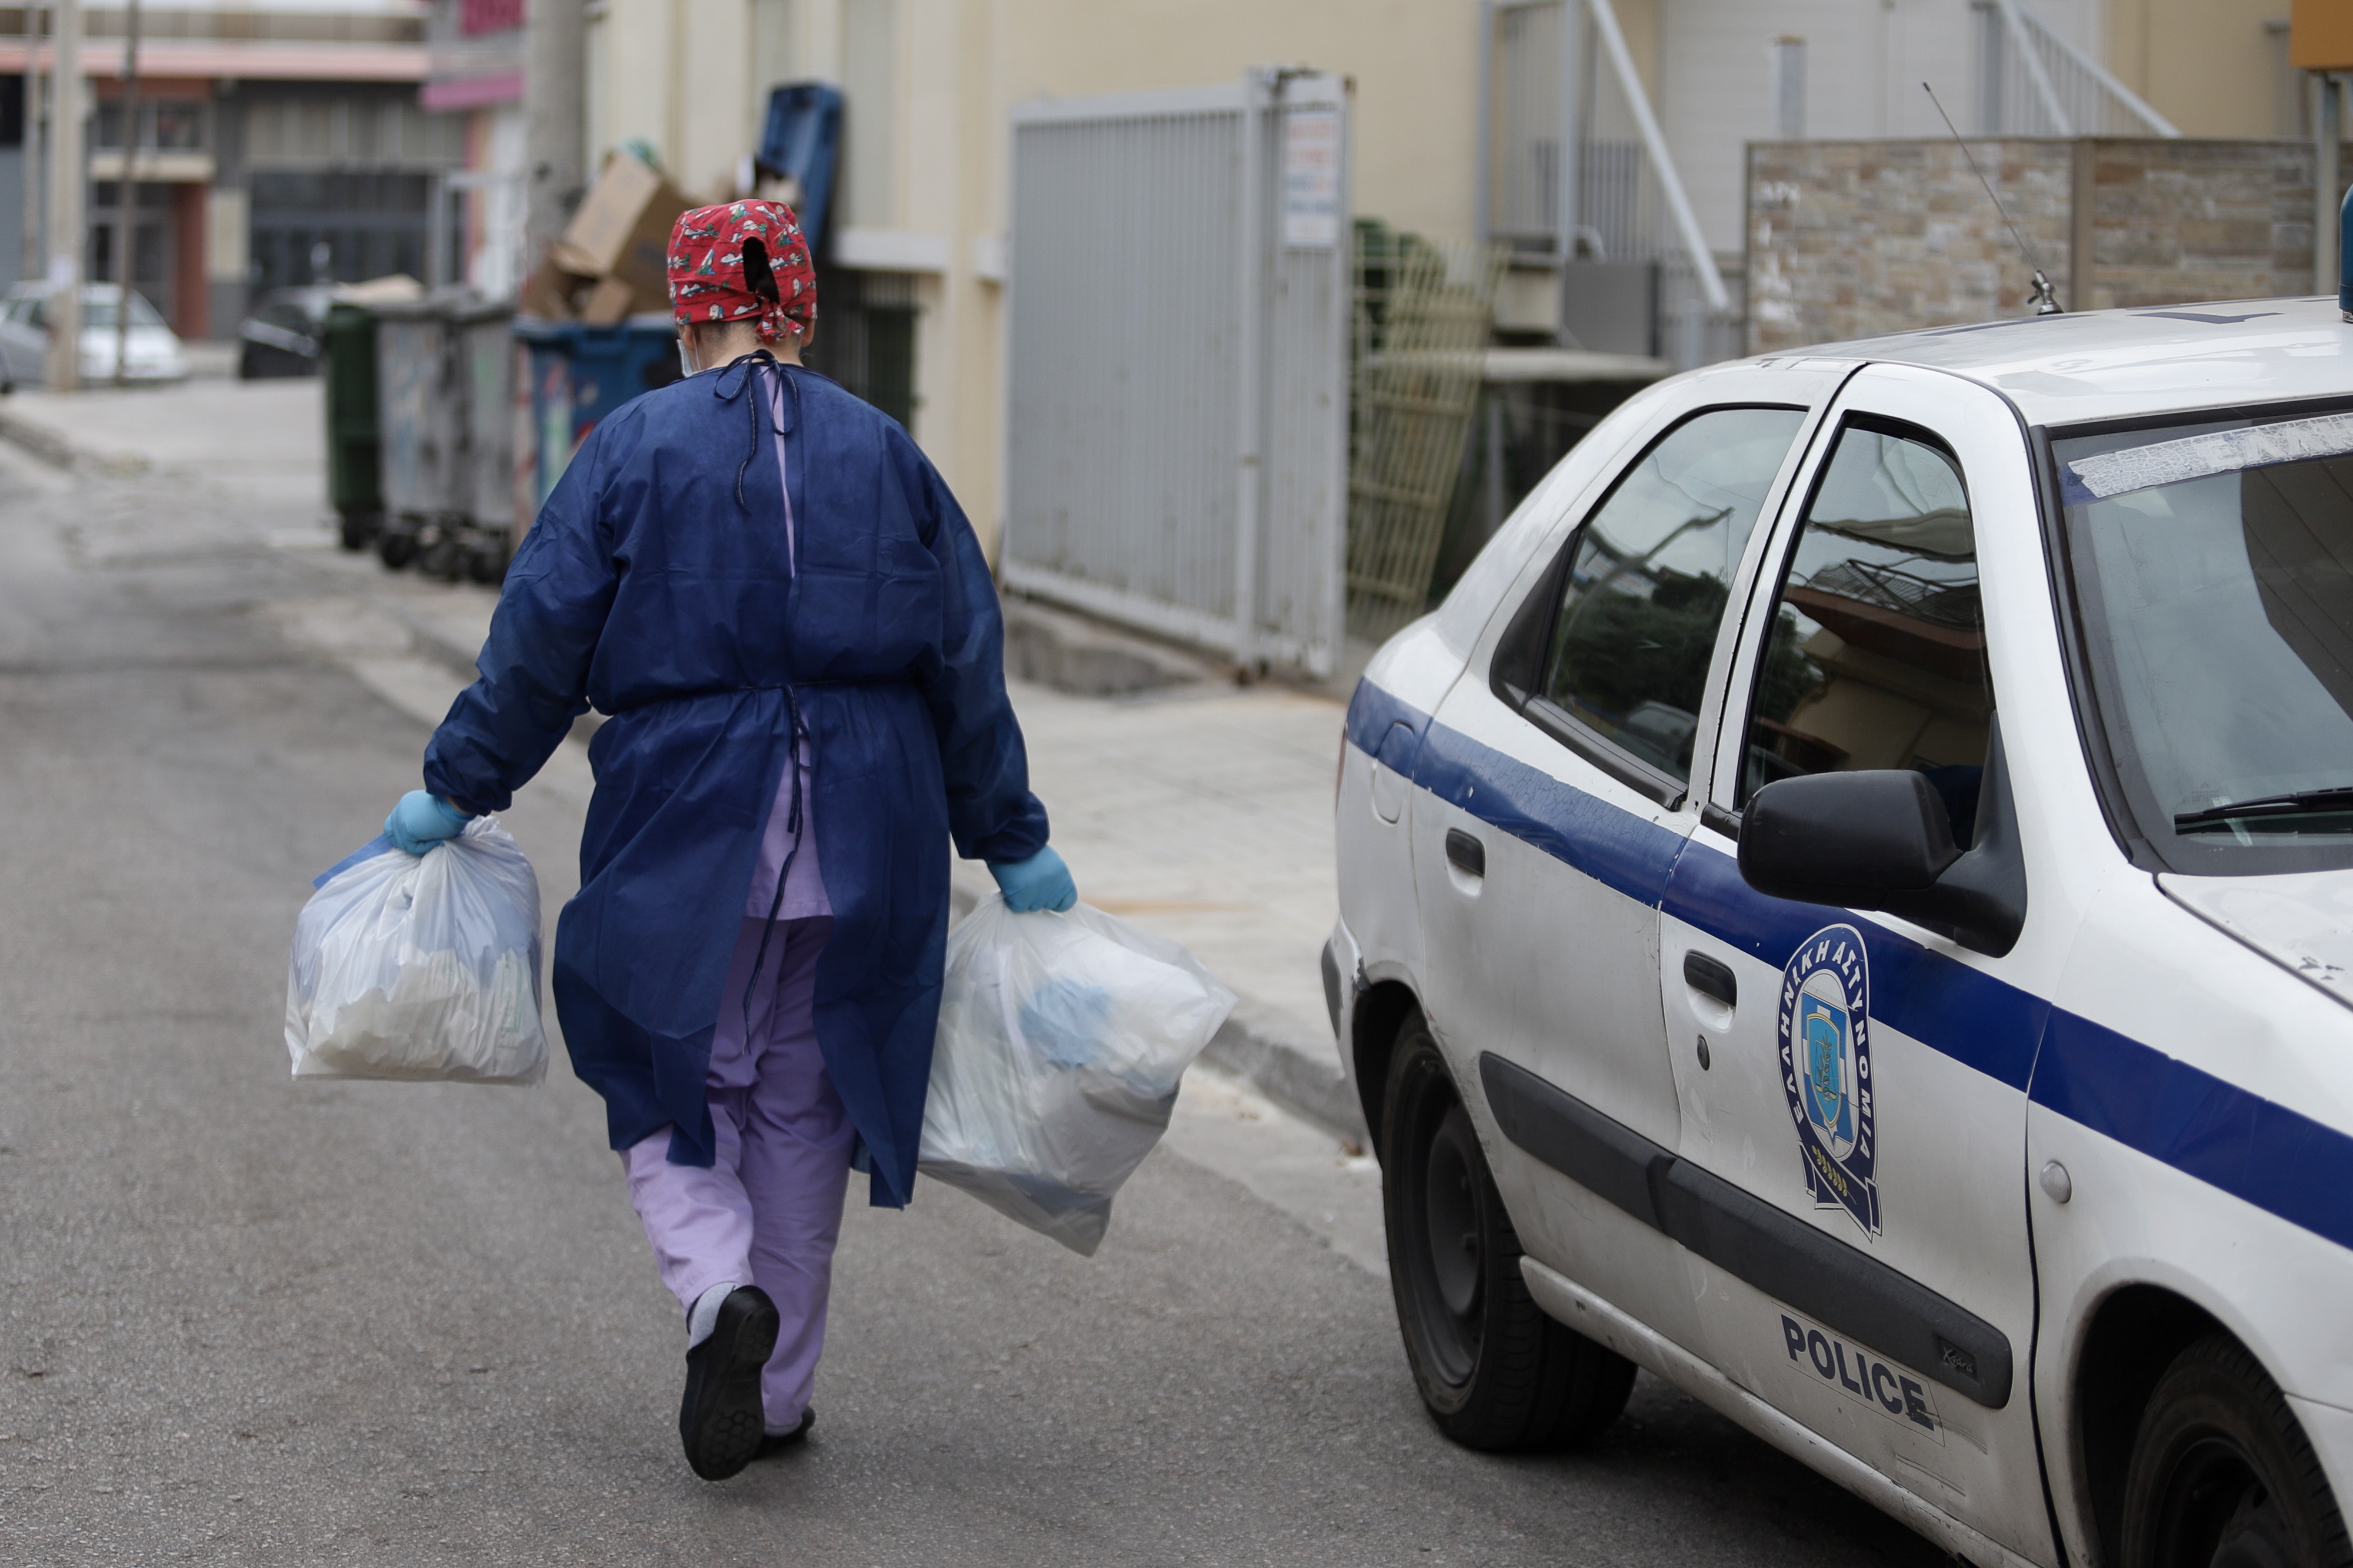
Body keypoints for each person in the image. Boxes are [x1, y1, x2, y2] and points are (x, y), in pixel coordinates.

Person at [378, 200, 1075, 1482]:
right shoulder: (890, 455)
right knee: (807, 1106)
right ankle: (783, 1394)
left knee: (666, 1076)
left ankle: (714, 1296)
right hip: (870, 826)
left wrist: (454, 787)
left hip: (690, 818)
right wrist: (1010, 840)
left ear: (689, 318)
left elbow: (539, 643)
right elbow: (964, 661)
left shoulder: (629, 448)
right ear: (800, 310)